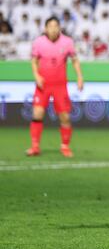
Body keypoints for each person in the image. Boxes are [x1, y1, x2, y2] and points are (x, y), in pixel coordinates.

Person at [27, 16, 84, 158]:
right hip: (43, 85)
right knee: (37, 114)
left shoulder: (68, 42)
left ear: (59, 28)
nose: (53, 29)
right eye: (50, 26)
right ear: (45, 28)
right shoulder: (38, 42)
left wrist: (79, 77)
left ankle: (65, 147)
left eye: (55, 26)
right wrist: (37, 76)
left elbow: (75, 60)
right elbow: (34, 61)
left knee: (65, 117)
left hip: (60, 86)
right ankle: (35, 146)